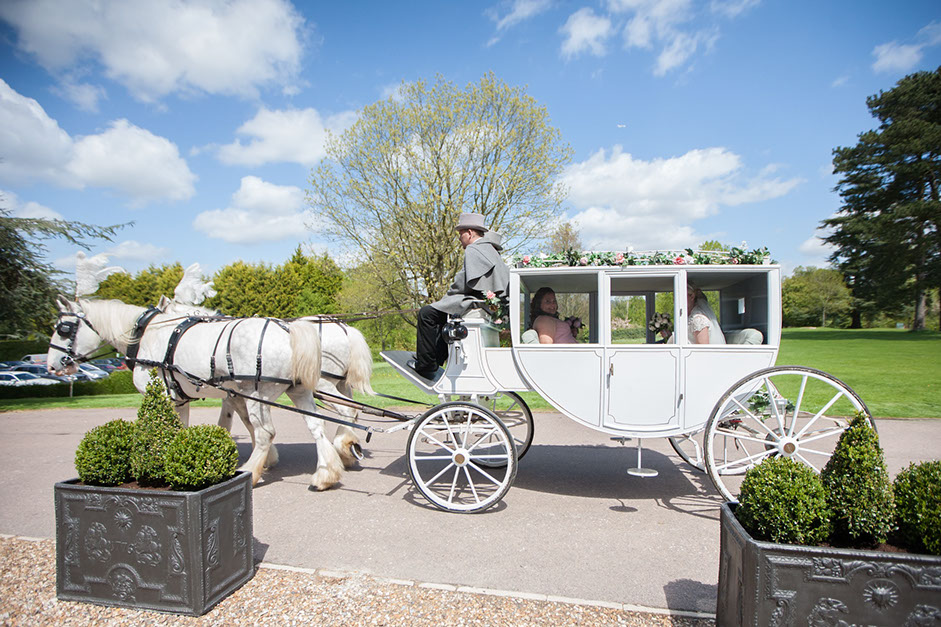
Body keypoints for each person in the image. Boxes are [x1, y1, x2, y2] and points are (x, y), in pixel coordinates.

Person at [409, 213, 509, 379]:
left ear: (469, 233)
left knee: (426, 313)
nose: (459, 238)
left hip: (475, 303)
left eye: (460, 233)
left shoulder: (474, 249)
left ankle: (425, 365)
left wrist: (444, 300)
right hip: (488, 305)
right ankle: (436, 359)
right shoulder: (491, 251)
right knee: (444, 315)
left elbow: (462, 283)